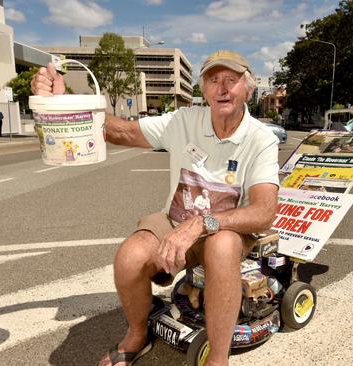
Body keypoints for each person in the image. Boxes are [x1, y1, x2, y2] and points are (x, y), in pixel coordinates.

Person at [31, 50, 280, 366]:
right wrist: (65, 102)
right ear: (202, 89)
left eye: (232, 80)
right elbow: (121, 131)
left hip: (225, 232)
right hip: (176, 221)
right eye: (213, 79)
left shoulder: (261, 139)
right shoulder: (184, 121)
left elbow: (263, 212)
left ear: (249, 88)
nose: (223, 88)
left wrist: (202, 223)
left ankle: (218, 358)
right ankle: (137, 333)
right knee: (130, 257)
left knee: (222, 245)